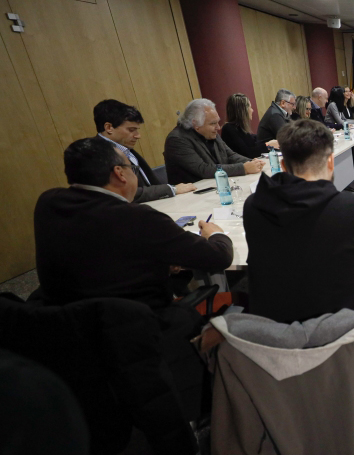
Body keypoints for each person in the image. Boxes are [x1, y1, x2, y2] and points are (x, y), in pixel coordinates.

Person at [243, 119, 354, 323]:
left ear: (282, 165)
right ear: (331, 161)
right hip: (342, 340)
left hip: (275, 339)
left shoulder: (254, 206)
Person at [35, 137, 234, 309]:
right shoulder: (140, 218)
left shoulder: (49, 202)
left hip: (66, 322)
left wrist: (156, 263)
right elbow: (218, 258)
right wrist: (216, 234)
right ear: (120, 173)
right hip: (137, 326)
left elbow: (95, 252)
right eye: (133, 169)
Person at [93, 99, 195, 203]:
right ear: (109, 127)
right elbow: (124, 192)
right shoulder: (96, 154)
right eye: (131, 130)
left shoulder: (124, 147)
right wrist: (172, 189)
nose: (138, 135)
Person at [164, 99, 266, 185]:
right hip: (192, 195)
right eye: (213, 123)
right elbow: (203, 169)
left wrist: (252, 162)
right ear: (196, 124)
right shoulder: (177, 140)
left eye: (218, 122)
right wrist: (244, 168)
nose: (218, 127)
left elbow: (230, 155)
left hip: (216, 185)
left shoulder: (211, 132)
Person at [221, 93, 278, 159]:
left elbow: (255, 141)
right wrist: (268, 145)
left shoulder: (241, 129)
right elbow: (248, 153)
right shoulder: (228, 129)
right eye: (250, 107)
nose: (252, 110)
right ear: (242, 110)